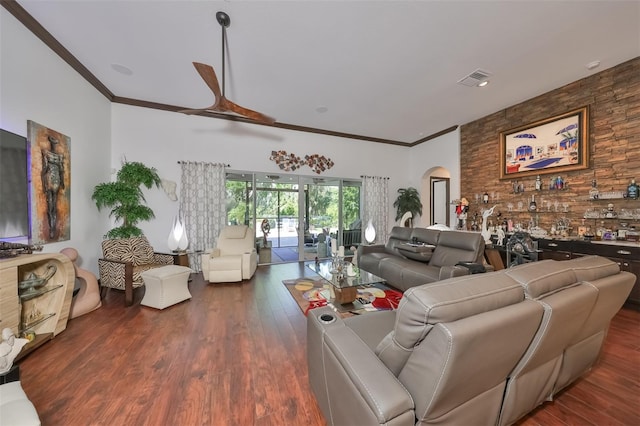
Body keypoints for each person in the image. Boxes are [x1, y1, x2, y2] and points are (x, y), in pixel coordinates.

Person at [41, 135, 65, 239]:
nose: (53, 144)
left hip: (55, 181)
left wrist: (62, 182)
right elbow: (46, 169)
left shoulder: (56, 156)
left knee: (52, 207)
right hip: (51, 181)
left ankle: (52, 229)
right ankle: (52, 229)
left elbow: (61, 171)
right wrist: (43, 183)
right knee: (51, 206)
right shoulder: (47, 154)